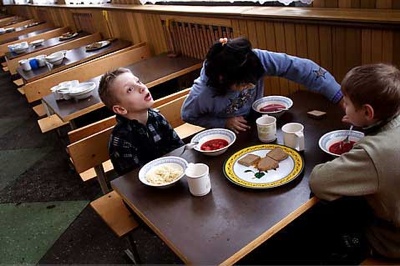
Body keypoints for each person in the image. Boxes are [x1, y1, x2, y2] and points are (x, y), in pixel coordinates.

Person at [309, 63, 400, 259]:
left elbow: (319, 182)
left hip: (390, 243)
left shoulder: (374, 153)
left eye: (347, 104)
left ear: (368, 112)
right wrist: (364, 122)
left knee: (326, 221)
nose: (344, 107)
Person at [181, 37, 343, 133]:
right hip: (231, 134)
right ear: (223, 79)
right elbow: (188, 115)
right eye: (244, 85)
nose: (252, 87)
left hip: (256, 122)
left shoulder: (253, 58)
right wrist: (223, 123)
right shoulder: (202, 93)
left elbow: (302, 68)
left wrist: (339, 97)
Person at [98, 67, 184, 176]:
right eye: (130, 89)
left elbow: (179, 147)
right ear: (120, 109)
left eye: (138, 81)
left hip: (173, 174)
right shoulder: (121, 139)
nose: (141, 87)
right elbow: (133, 179)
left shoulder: (157, 117)